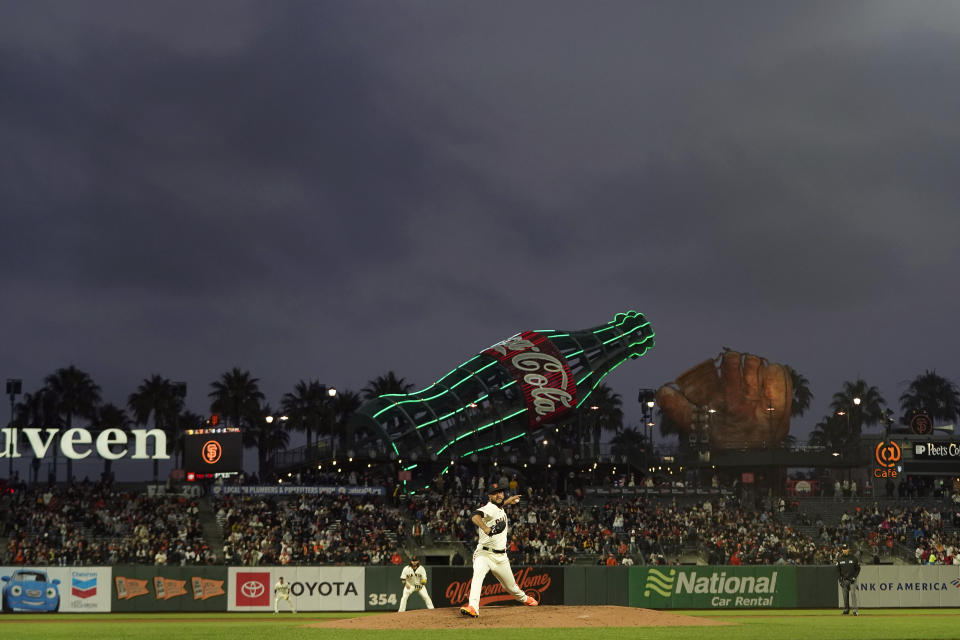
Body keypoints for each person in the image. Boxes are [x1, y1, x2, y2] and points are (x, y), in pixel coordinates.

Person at [459, 483, 539, 618]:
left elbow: (499, 506)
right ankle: (473, 607)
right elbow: (474, 515)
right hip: (484, 554)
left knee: (511, 587)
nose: (499, 494)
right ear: (489, 496)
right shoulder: (488, 508)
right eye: (495, 492)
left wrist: (508, 501)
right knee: (478, 576)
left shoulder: (498, 507)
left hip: (501, 557)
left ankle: (524, 598)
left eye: (501, 492)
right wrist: (485, 528)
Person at [836, 543, 860, 616]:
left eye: (846, 549)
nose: (845, 550)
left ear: (848, 549)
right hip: (844, 579)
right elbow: (838, 570)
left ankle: (855, 610)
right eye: (843, 549)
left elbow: (858, 569)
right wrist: (840, 580)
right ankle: (846, 610)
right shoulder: (840, 559)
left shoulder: (853, 558)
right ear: (842, 550)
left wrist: (854, 577)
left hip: (852, 579)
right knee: (845, 595)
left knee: (853, 594)